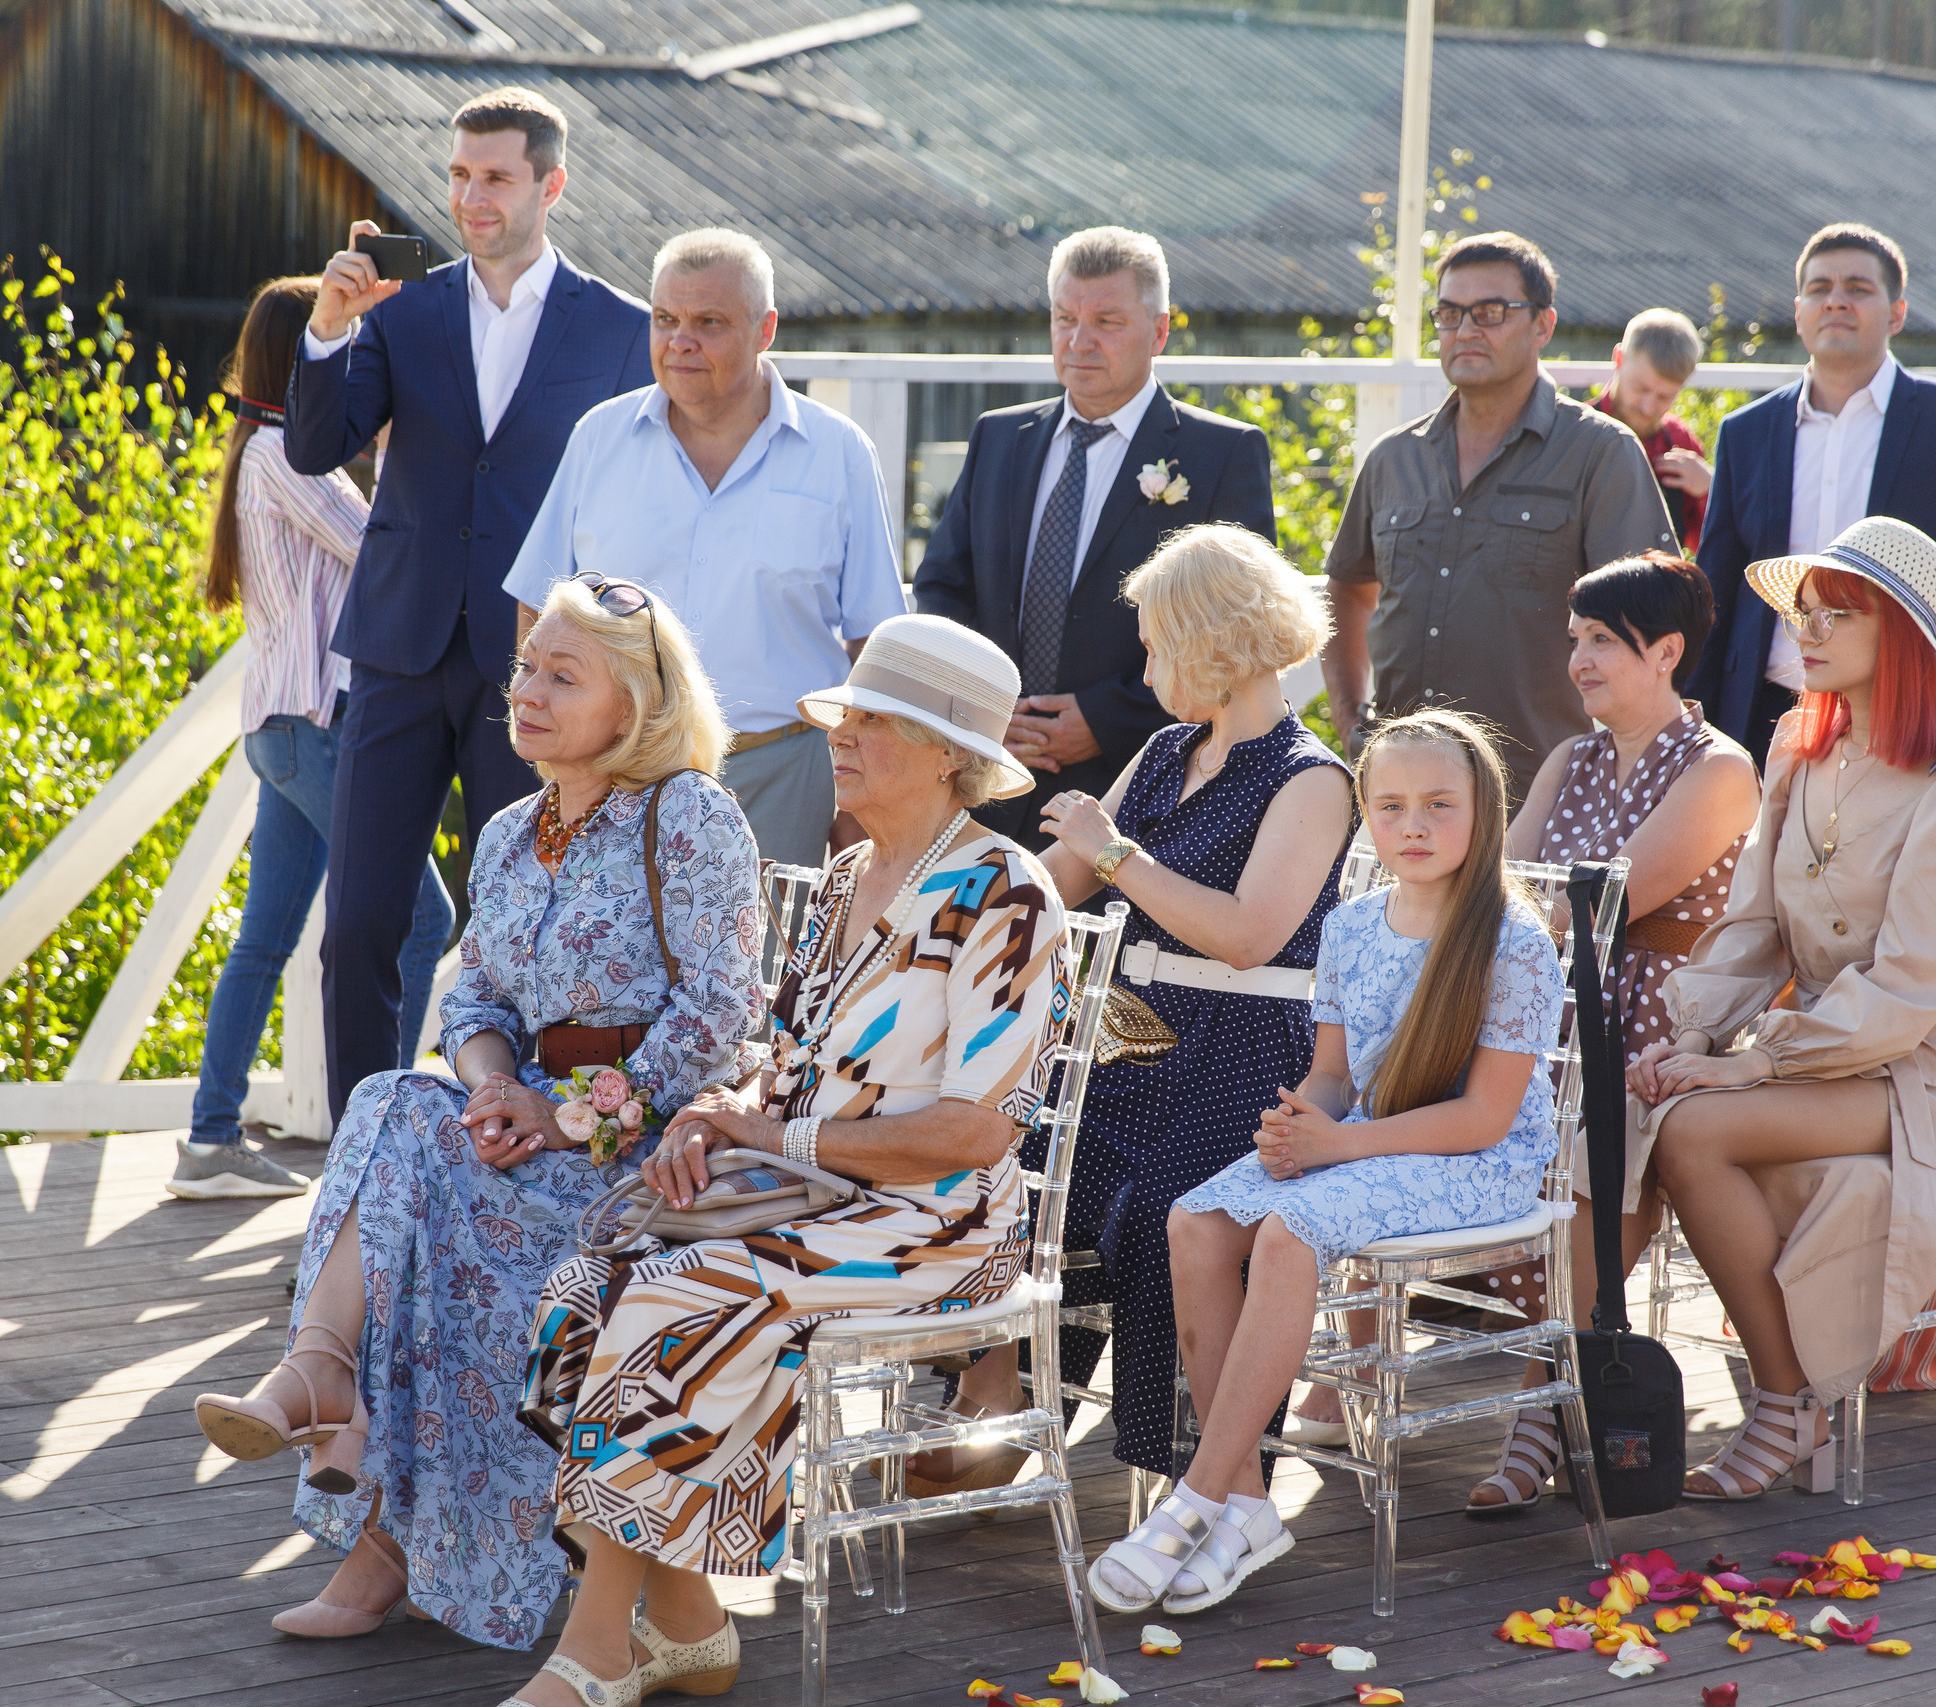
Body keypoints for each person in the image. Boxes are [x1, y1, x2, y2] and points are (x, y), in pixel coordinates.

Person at [188, 578, 762, 1648]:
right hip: (531, 1133)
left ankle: (344, 1444)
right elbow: (478, 1000)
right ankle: (334, 1406)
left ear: (635, 704)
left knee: (400, 1150)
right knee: (401, 1108)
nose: (525, 692)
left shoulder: (688, 813)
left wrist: (569, 1114)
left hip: (646, 1162)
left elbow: (717, 1014)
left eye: (561, 676)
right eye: (525, 669)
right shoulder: (507, 833)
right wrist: (496, 1086)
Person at [513, 614, 1068, 1707]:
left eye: (876, 720)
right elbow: (783, 1055)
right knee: (591, 1277)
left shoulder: (1005, 896)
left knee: (678, 1295)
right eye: (845, 714)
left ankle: (596, 1651)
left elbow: (976, 1133)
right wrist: (719, 1109)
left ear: (947, 755)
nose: (841, 735)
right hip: (808, 1199)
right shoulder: (850, 871)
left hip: (938, 1224)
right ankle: (688, 1621)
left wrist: (775, 1138)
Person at [1086, 708, 1565, 1618]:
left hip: (1479, 1162)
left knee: (1287, 1228)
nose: (1413, 825)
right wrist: (1299, 1120)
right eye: (1390, 806)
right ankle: (1249, 1505)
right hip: (1370, 1140)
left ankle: (1196, 1496)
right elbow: (1336, 1077)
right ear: (1365, 816)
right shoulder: (1349, 925)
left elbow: (1485, 1115)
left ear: (1484, 811)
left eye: (1439, 804)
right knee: (1195, 1218)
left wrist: (1339, 1144)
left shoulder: (1515, 940)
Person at [917, 523, 1353, 1496]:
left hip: (1245, 1050)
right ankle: (1003, 1390)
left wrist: (1114, 853)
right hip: (1127, 1039)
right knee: (1016, 1169)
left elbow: (1248, 934)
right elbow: (1053, 883)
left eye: (1156, 647)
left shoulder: (1312, 777)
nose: (1145, 669)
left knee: (1156, 1213)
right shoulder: (1162, 751)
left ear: (1211, 640)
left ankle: (1204, 1470)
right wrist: (941, 902)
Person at [285, 86, 653, 1121]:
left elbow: (635, 494)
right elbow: (314, 447)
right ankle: (363, 1151)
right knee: (359, 925)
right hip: (398, 651)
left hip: (539, 671)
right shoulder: (404, 309)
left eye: (495, 176)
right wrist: (328, 329)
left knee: (523, 931)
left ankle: (516, 1147)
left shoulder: (621, 329)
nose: (471, 196)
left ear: (550, 184)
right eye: (458, 174)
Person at [1634, 516, 1936, 1500]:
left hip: (1909, 1070)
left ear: (1899, 634)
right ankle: (1554, 1398)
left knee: (1689, 1130)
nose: (1803, 631)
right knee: (1642, 1105)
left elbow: (1910, 983)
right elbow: (1750, 928)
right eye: (1800, 612)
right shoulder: (1798, 748)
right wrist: (1690, 1037)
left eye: (1833, 615)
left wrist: (1751, 1063)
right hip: (1812, 1055)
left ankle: (1783, 1400)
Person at [1447, 552, 1760, 1508]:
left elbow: (1607, 908)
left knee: (1581, 1144)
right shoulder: (1569, 758)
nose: (1577, 659)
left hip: (1667, 1019)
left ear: (1666, 651)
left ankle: (1542, 1408)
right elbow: (1500, 889)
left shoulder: (1718, 766)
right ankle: (1383, 1384)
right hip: (1553, 1003)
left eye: (1602, 642)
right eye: (1575, 638)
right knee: (1427, 1108)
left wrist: (1500, 928)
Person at [167, 277, 454, 1202]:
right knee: (425, 918)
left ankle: (211, 1139)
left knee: (264, 940)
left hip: (284, 723)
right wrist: (400, 439)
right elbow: (387, 547)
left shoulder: (262, 452)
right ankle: (380, 1135)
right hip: (317, 723)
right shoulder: (292, 458)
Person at [504, 228, 907, 868]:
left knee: (770, 940)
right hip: (614, 772)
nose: (680, 341)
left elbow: (876, 645)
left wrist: (865, 800)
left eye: (709, 322)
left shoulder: (840, 452)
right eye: (665, 319)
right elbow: (539, 604)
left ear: (765, 329)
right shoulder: (598, 438)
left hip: (784, 777)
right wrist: (555, 747)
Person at [914, 226, 1277, 846]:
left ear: (1159, 332)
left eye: (1107, 321)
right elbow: (944, 587)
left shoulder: (1222, 454)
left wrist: (1105, 719)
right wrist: (982, 705)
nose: (1079, 342)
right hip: (987, 778)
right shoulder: (998, 437)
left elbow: (1237, 627)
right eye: (1064, 319)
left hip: (1137, 792)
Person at [1320, 230, 1678, 790]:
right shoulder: (1394, 459)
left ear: (1543, 325)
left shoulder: (1600, 454)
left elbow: (1654, 622)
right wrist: (1350, 722)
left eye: (1490, 312)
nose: (1465, 330)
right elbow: (1347, 588)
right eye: (1449, 314)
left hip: (1540, 794)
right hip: (1401, 795)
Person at [1687, 223, 1936, 763]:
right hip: (1758, 712)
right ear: (1799, 312)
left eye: (1858, 288)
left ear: (1897, 313)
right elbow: (1718, 583)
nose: (1836, 301)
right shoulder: (1746, 431)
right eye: (1819, 289)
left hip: (1906, 710)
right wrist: (1693, 715)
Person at [1592, 309, 1712, 555]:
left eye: (1664, 397)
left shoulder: (1680, 443)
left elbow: (1709, 548)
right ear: (1618, 359)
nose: (1648, 407)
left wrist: (1711, 490)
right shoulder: (1576, 431)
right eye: (1641, 388)